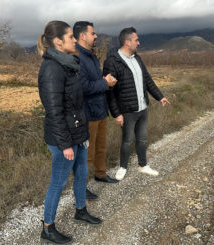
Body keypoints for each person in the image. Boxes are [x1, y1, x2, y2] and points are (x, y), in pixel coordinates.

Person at [37, 20, 102, 244]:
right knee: (58, 182)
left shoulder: (68, 64)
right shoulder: (51, 68)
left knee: (81, 174)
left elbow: (75, 104)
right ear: (58, 41)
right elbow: (54, 111)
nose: (75, 40)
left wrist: (82, 134)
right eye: (70, 37)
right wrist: (65, 144)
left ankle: (80, 210)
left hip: (77, 133)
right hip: (63, 138)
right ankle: (47, 227)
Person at [103, 27, 170, 181]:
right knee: (127, 140)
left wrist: (160, 97)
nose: (139, 43)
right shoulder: (113, 62)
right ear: (127, 42)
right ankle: (123, 167)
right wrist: (116, 113)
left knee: (142, 138)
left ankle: (143, 165)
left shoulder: (137, 58)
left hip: (142, 107)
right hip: (127, 110)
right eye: (136, 40)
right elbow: (109, 91)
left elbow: (147, 80)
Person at [72, 21, 118, 201]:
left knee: (100, 148)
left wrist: (103, 79)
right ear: (82, 36)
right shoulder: (78, 57)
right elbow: (82, 87)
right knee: (87, 155)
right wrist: (104, 83)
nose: (96, 36)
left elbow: (94, 80)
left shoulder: (91, 55)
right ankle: (81, 187)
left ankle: (101, 174)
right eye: (93, 33)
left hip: (100, 110)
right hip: (88, 114)